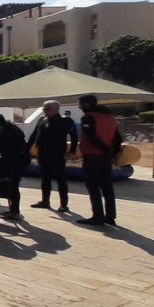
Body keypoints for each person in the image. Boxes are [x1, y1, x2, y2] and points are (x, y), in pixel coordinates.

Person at [77, 95, 122, 226]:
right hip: (105, 158)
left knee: (93, 187)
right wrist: (113, 153)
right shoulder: (110, 117)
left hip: (93, 156)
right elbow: (117, 138)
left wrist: (104, 150)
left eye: (80, 104)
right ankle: (110, 216)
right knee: (107, 186)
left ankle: (98, 216)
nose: (79, 107)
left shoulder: (88, 118)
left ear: (86, 104)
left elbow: (91, 137)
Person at [27, 100, 79, 213]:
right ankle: (45, 201)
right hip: (43, 152)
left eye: (47, 109)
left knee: (60, 178)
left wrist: (72, 151)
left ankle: (63, 204)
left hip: (58, 153)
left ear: (56, 109)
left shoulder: (66, 120)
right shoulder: (42, 120)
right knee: (45, 177)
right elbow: (34, 135)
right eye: (44, 109)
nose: (44, 111)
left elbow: (74, 137)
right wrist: (27, 149)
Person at [0, 114, 28, 220]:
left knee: (13, 185)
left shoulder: (11, 134)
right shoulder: (7, 130)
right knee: (11, 184)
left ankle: (15, 212)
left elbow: (11, 154)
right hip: (15, 160)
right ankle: (13, 210)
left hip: (18, 161)